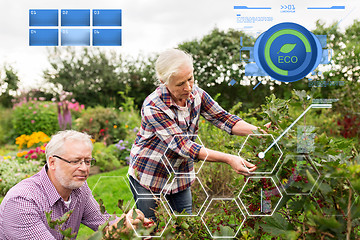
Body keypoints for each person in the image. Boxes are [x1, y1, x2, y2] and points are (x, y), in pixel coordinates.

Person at [128, 49, 267, 221]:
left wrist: (259, 132)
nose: (188, 87)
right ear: (164, 82)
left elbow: (224, 119)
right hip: (149, 173)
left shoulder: (196, 94)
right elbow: (183, 146)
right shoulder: (153, 106)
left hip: (180, 173)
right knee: (149, 227)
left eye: (190, 78)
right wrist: (229, 158)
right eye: (180, 84)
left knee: (187, 225)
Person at [0, 130, 152, 240]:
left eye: (87, 161)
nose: (85, 168)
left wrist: (128, 223)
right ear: (52, 162)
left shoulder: (79, 188)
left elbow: (100, 221)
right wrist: (113, 232)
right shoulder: (22, 202)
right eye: (75, 161)